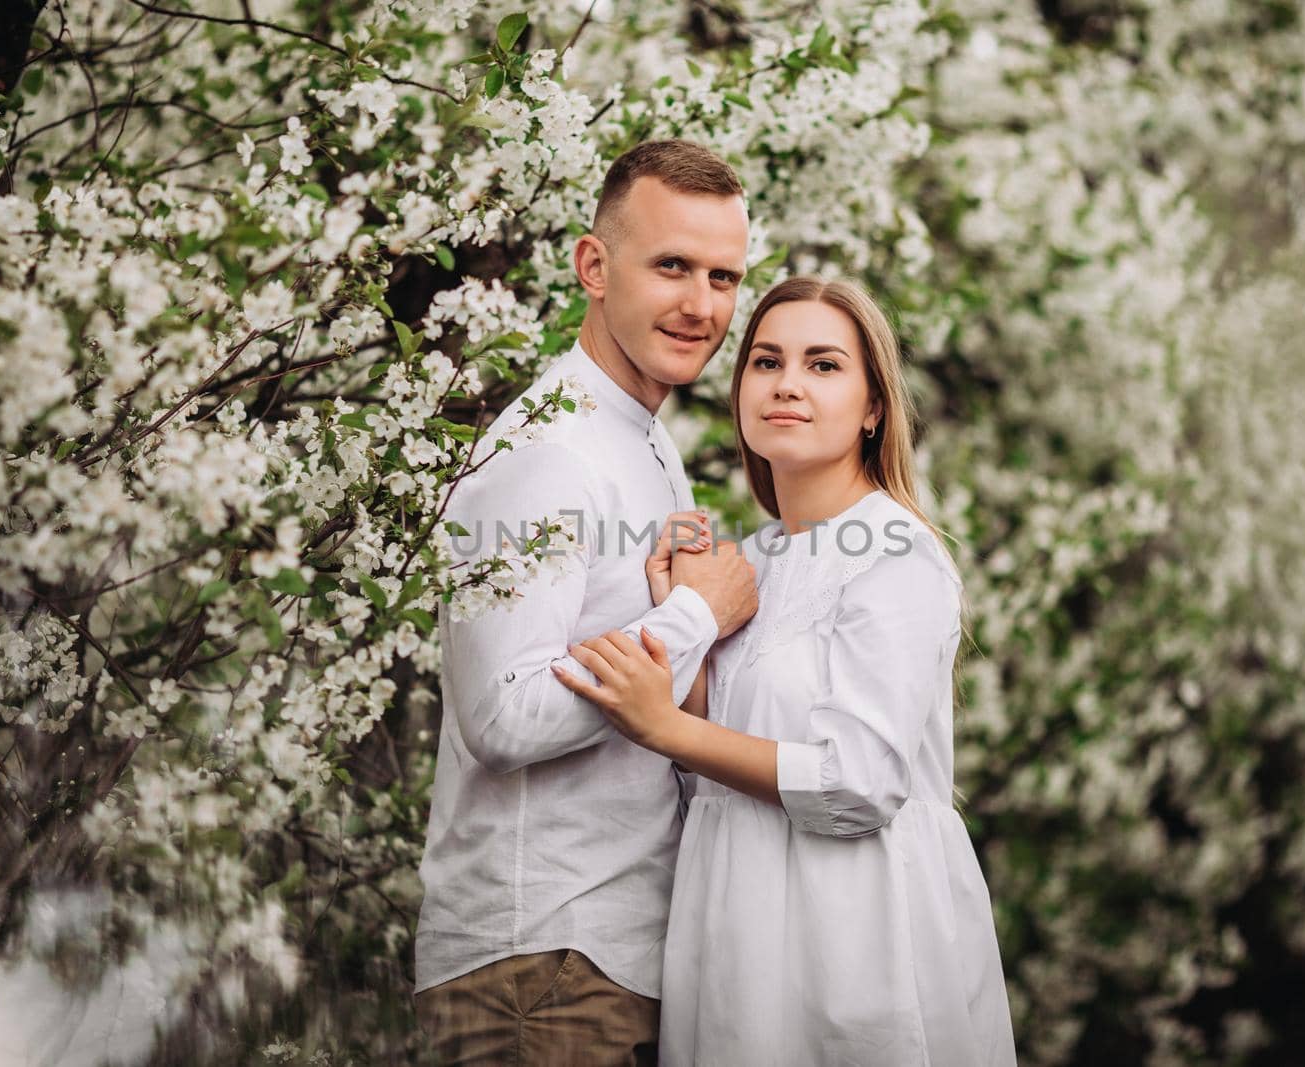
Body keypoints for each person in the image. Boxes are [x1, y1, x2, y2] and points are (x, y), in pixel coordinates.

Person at [553, 276, 1018, 1065]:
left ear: (874, 407)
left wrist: (663, 722)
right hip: (734, 921)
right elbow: (717, 767)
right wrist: (683, 630)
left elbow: (858, 782)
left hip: (854, 927)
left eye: (824, 364)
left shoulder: (896, 551)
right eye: (766, 361)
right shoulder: (751, 561)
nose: (788, 384)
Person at [411, 140, 761, 1065]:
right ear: (593, 266)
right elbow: (501, 715)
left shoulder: (648, 443)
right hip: (537, 967)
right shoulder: (546, 450)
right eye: (673, 266)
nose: (702, 305)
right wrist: (694, 617)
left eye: (724, 276)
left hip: (614, 958)